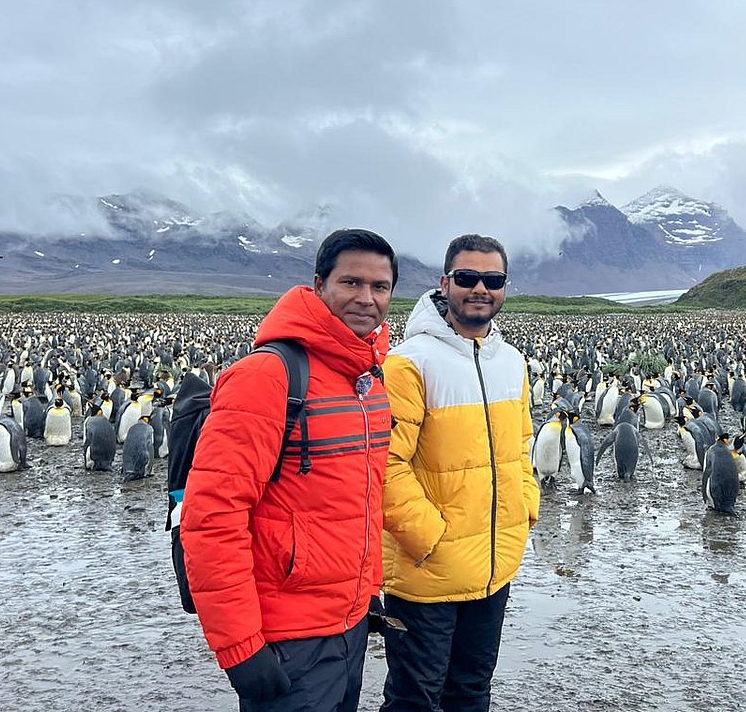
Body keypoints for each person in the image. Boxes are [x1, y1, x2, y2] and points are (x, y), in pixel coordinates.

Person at [181, 228, 398, 711]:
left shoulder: (368, 381)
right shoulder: (267, 376)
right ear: (319, 285)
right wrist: (240, 650)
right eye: (351, 283)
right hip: (288, 638)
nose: (366, 298)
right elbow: (212, 516)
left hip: (350, 625)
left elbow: (357, 503)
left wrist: (368, 590)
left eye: (380, 287)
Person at [380, 233, 540, 712]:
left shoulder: (511, 362)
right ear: (445, 283)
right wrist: (429, 537)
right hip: (427, 569)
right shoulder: (409, 363)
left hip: (494, 566)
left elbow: (523, 447)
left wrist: (525, 507)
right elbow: (384, 464)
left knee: (471, 691)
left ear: (505, 287)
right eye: (468, 278)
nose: (480, 289)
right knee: (415, 699)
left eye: (492, 280)